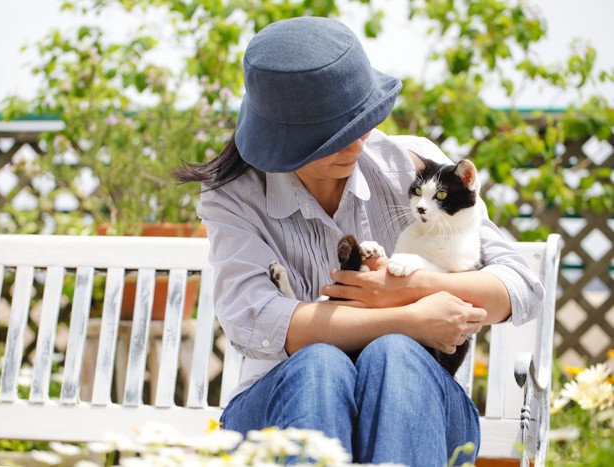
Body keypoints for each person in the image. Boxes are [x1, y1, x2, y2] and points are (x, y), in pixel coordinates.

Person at [175, 16, 544, 466]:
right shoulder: (234, 197)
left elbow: (519, 285)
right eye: (332, 139)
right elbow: (256, 319)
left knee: (396, 357)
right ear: (283, 141)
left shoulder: (408, 165)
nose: (355, 148)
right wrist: (410, 320)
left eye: (362, 125)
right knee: (321, 366)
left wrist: (414, 288)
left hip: (417, 405)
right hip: (278, 406)